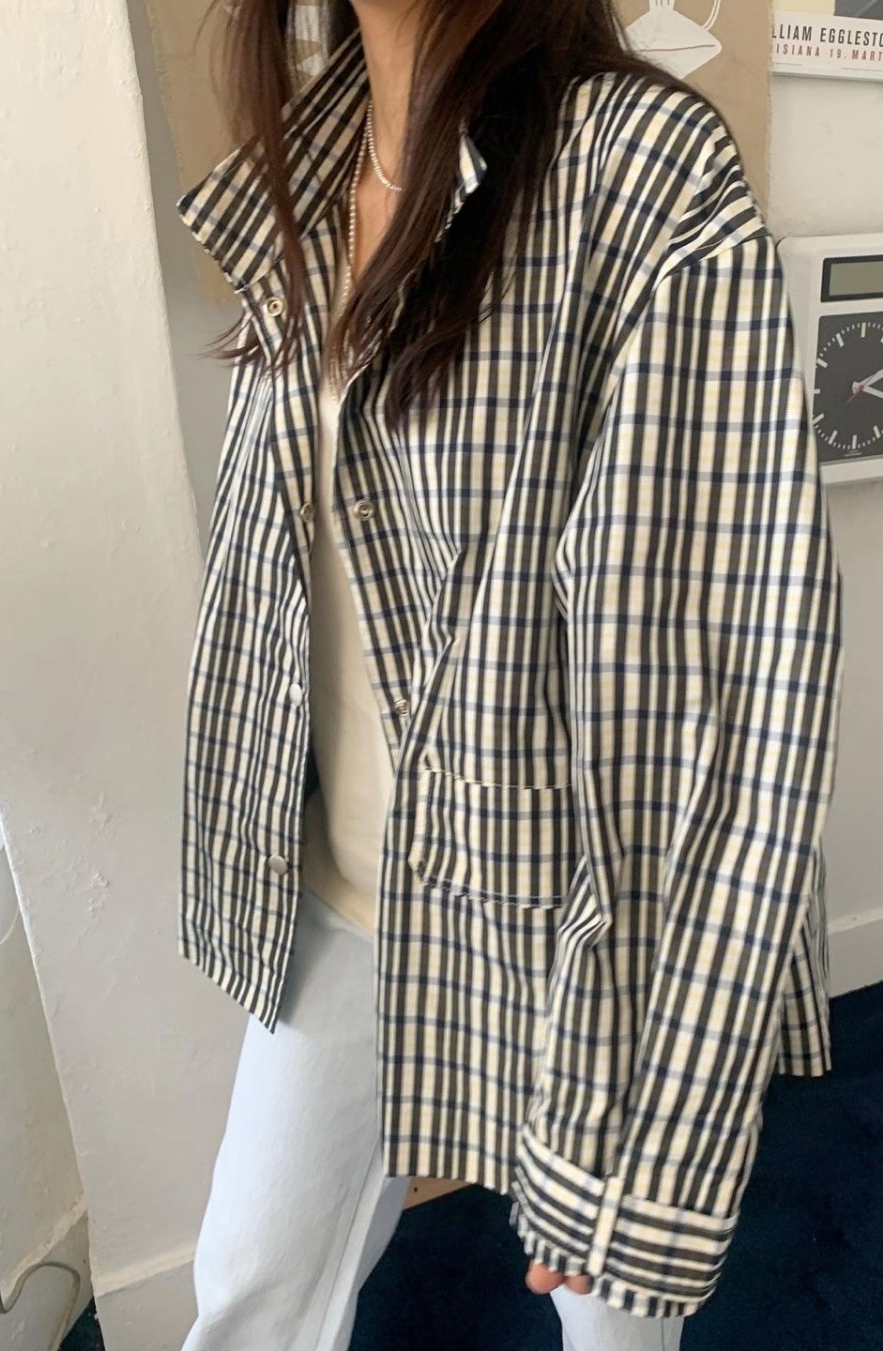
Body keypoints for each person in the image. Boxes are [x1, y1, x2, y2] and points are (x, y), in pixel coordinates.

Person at [174, 1, 845, 1347]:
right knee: (248, 1284)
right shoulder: (308, 169)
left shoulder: (642, 173)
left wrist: (647, 1140)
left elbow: (724, 679)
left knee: (608, 1320)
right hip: (343, 888)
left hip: (576, 918)